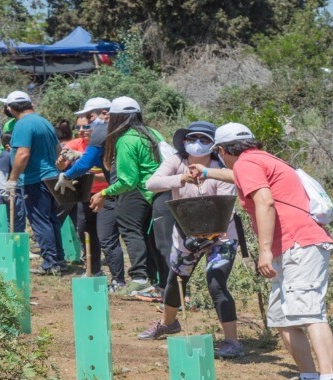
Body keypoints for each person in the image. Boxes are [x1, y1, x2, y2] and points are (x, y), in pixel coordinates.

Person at [187, 123, 333, 380]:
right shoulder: (259, 160)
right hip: (292, 246)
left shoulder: (247, 164)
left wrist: (264, 251)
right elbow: (238, 178)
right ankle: (309, 375)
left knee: (310, 312)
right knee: (282, 318)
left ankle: (328, 376)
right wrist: (207, 172)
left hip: (299, 245)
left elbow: (264, 201)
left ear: (223, 150)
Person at [136, 121, 244, 359]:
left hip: (221, 234)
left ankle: (232, 341)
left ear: (214, 145)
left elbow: (227, 209)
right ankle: (168, 323)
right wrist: (181, 179)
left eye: (204, 140)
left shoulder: (220, 167)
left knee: (216, 282)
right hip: (186, 231)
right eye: (192, 138)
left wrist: (206, 239)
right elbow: (151, 183)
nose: (197, 144)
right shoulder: (177, 161)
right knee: (176, 279)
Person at [88, 97, 167, 290]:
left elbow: (127, 181)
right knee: (150, 236)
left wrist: (104, 192)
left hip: (136, 192)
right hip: (157, 193)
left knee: (131, 231)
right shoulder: (153, 133)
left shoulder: (125, 140)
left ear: (117, 118)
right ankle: (155, 278)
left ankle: (139, 279)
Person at [0, 90, 66, 275]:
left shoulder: (22, 125)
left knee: (40, 221)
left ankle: (51, 263)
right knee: (52, 220)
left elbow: (23, 153)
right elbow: (58, 149)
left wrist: (12, 179)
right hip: (51, 177)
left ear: (11, 108)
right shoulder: (44, 122)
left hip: (35, 179)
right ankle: (59, 259)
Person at [58, 98, 116, 282]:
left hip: (108, 193)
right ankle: (93, 269)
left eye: (88, 123)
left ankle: (119, 279)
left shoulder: (107, 136)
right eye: (80, 127)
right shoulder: (78, 143)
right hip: (87, 194)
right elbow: (64, 165)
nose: (84, 129)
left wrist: (72, 173)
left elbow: (91, 164)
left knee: (108, 236)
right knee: (85, 230)